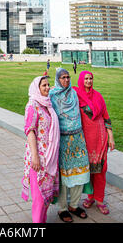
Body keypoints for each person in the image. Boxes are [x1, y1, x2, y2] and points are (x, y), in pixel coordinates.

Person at [49, 68, 90, 223]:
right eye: (62, 78)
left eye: (67, 77)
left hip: (78, 138)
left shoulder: (74, 93)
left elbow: (87, 97)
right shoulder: (52, 95)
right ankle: (63, 208)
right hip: (62, 141)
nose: (66, 80)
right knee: (64, 174)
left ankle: (74, 205)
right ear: (57, 79)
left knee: (81, 171)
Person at [73, 71, 115, 215]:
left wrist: (111, 137)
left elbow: (106, 117)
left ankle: (100, 200)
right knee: (88, 170)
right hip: (85, 140)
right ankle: (90, 196)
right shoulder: (76, 94)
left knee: (101, 171)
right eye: (86, 78)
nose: (89, 81)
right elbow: (60, 90)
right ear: (81, 80)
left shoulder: (98, 96)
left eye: (91, 78)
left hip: (100, 139)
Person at [21, 76, 60, 223]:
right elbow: (30, 131)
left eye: (48, 85)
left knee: (46, 198)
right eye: (44, 85)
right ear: (37, 88)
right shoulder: (32, 105)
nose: (47, 88)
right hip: (38, 157)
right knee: (38, 199)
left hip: (49, 157)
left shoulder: (47, 105)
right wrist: (35, 157)